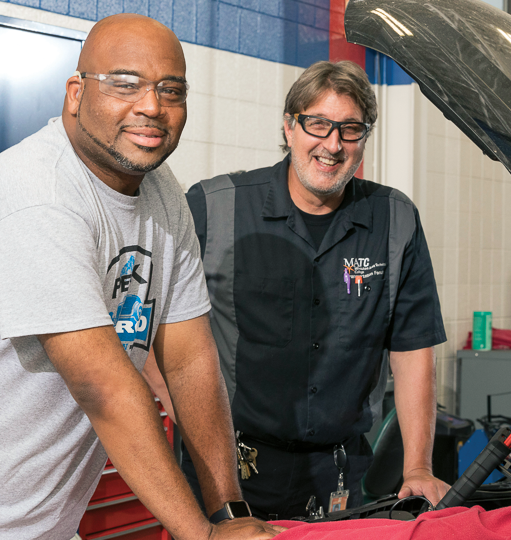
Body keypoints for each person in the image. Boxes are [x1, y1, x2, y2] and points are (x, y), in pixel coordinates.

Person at [0, 14, 283, 540]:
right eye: (125, 84)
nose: (151, 106)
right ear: (75, 93)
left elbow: (188, 358)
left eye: (170, 89)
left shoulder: (162, 193)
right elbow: (104, 386)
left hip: (28, 516)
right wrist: (199, 535)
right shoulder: (36, 195)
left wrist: (227, 511)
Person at [178, 60, 450, 519]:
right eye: (318, 124)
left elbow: (412, 349)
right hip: (226, 469)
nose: (332, 144)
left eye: (350, 129)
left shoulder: (395, 220)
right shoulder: (213, 207)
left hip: (339, 474)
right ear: (289, 127)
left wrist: (418, 466)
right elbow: (161, 335)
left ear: (365, 138)